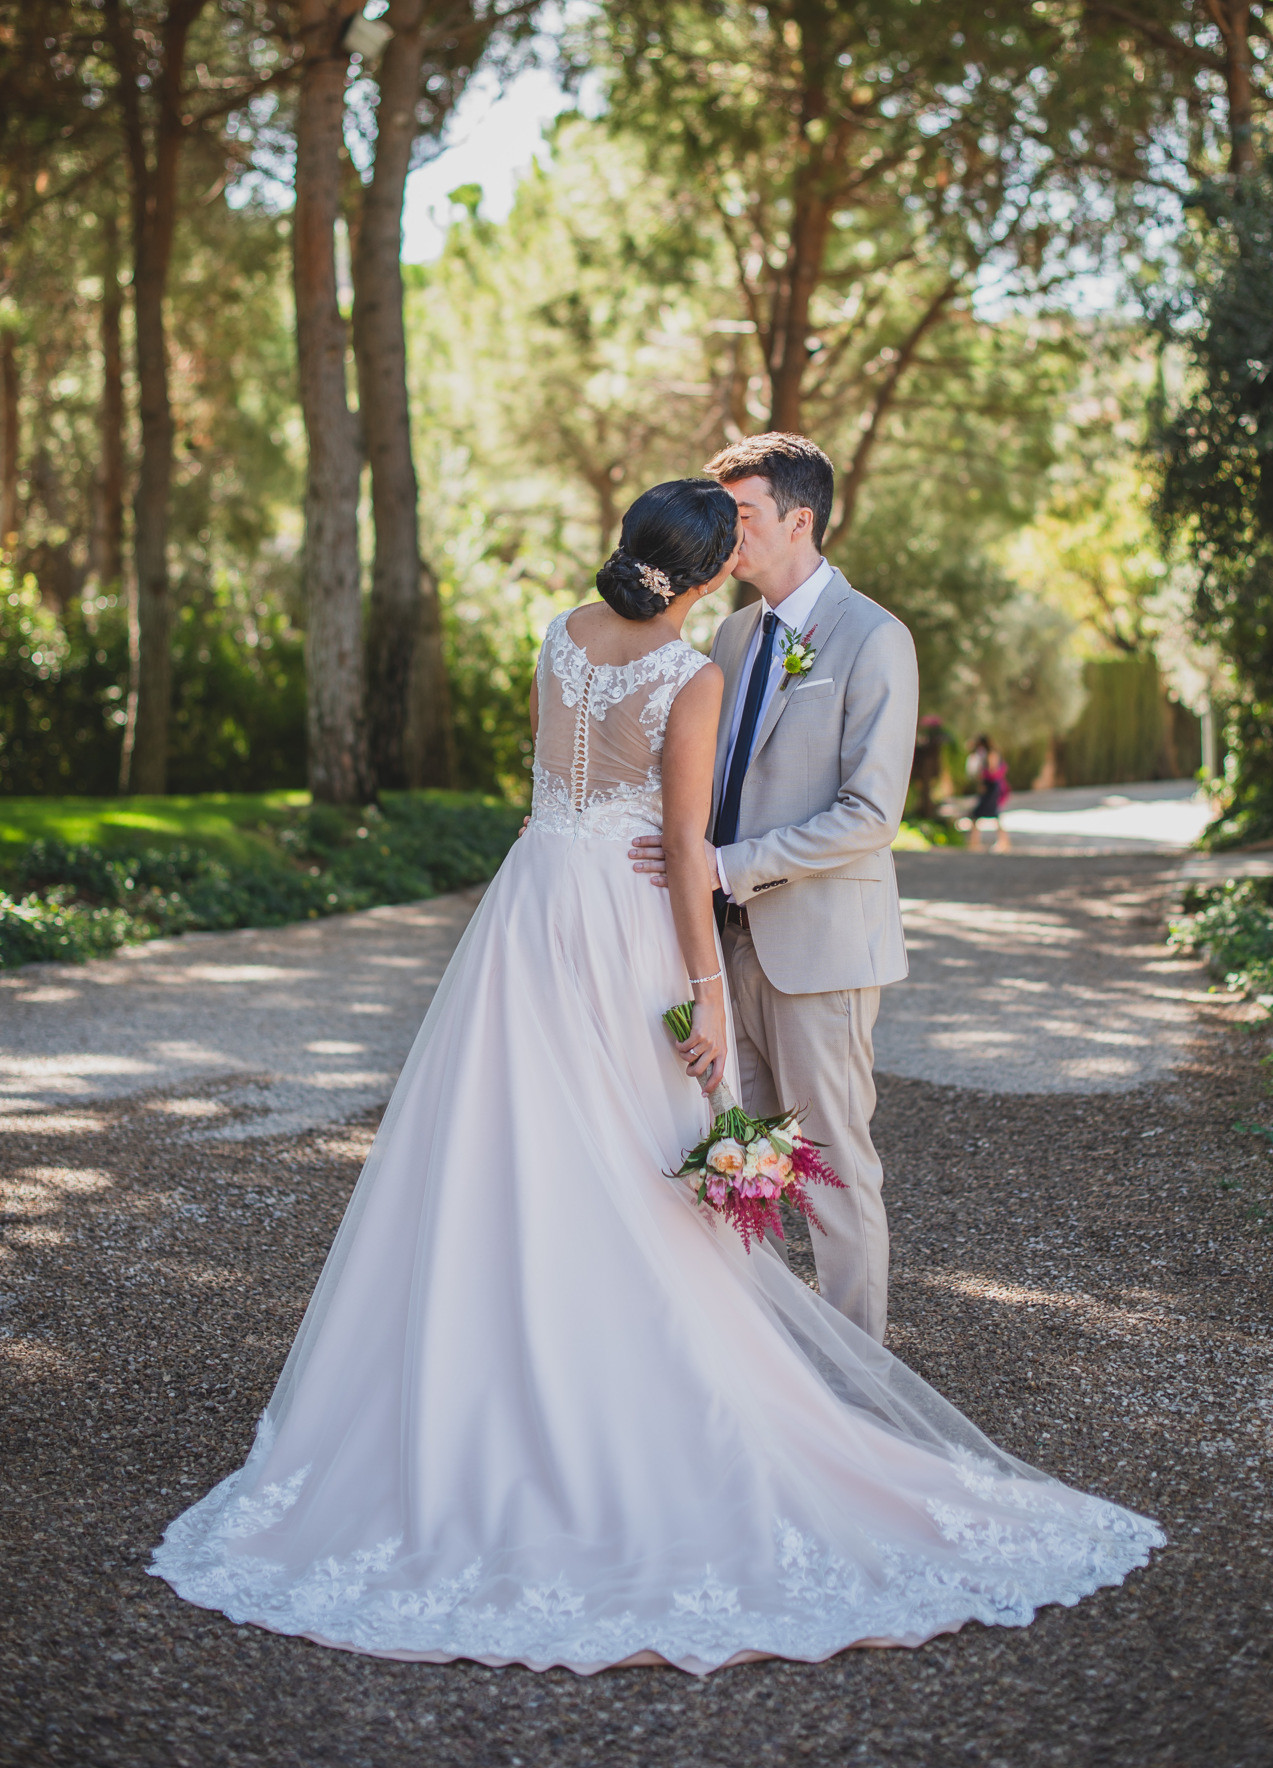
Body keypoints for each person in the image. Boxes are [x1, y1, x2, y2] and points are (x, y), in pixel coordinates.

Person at [150, 477, 1162, 1675]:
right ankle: (687, 1397)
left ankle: (507, 1373)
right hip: (630, 923)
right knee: (641, 1145)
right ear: (701, 573)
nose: (739, 547)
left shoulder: (561, 639)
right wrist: (710, 998)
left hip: (530, 915)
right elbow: (682, 849)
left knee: (510, 1139)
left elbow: (580, 792)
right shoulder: (695, 667)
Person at [631, 432, 914, 1343]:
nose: (723, 534)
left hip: (818, 950)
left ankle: (861, 1386)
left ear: (800, 520)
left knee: (832, 1172)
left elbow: (870, 813)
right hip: (721, 950)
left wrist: (727, 865)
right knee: (734, 1162)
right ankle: (762, 1378)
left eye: (740, 515)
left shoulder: (875, 638)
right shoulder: (731, 633)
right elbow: (708, 785)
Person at [967, 734, 1012, 853]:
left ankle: (976, 843)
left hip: (991, 788)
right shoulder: (987, 754)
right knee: (987, 815)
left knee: (981, 815)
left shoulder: (990, 754)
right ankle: (976, 842)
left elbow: (992, 770)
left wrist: (982, 775)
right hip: (991, 787)